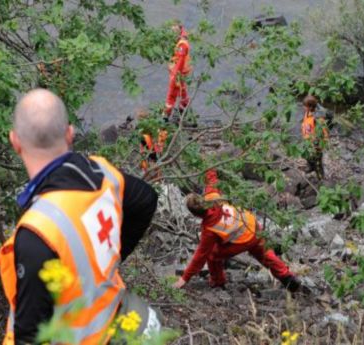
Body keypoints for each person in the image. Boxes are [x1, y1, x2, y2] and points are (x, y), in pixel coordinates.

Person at [0, 89, 160, 344]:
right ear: (70, 133)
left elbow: (29, 336)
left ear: (15, 141)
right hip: (117, 319)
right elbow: (146, 199)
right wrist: (111, 261)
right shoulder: (104, 174)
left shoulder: (36, 232)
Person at [173, 170, 302, 292]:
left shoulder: (209, 229)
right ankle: (287, 277)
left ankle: (218, 281)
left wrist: (184, 278)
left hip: (244, 239)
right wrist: (207, 165)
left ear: (196, 215)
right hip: (252, 224)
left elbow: (200, 256)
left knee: (212, 255)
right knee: (264, 253)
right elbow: (211, 178)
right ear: (202, 198)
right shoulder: (213, 196)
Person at [164, 20, 192, 120]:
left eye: (174, 28)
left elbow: (180, 61)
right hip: (181, 71)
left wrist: (175, 74)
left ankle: (165, 116)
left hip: (178, 72)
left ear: (179, 28)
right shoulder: (180, 39)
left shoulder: (182, 44)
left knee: (172, 93)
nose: (172, 31)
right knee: (182, 90)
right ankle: (183, 108)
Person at [301, 95, 329, 180]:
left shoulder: (318, 119)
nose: (303, 107)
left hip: (315, 144)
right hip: (307, 141)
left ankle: (321, 177)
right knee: (308, 156)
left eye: (304, 106)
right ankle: (310, 166)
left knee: (317, 162)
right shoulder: (307, 113)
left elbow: (324, 132)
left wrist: (319, 145)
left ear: (310, 107)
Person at [137, 109, 168, 175]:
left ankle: (155, 177)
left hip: (153, 153)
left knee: (153, 166)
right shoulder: (151, 129)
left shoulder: (146, 134)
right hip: (153, 152)